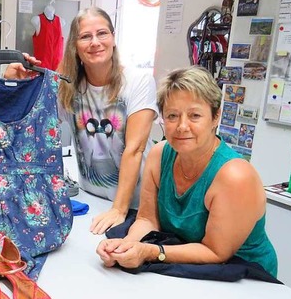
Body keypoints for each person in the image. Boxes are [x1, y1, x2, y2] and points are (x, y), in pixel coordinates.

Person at [96, 66, 278, 277]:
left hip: (247, 277)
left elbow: (216, 252)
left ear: (216, 117)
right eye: (172, 116)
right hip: (190, 260)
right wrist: (123, 247)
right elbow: (147, 220)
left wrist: (149, 251)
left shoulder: (235, 176)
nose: (182, 126)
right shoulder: (159, 155)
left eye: (194, 115)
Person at [57, 7, 158, 235]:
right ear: (75, 45)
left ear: (113, 38)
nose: (95, 42)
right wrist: (15, 83)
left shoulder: (137, 81)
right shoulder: (67, 87)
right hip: (88, 196)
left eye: (102, 33)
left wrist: (119, 210)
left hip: (132, 204)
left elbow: (135, 149)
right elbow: (37, 125)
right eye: (85, 36)